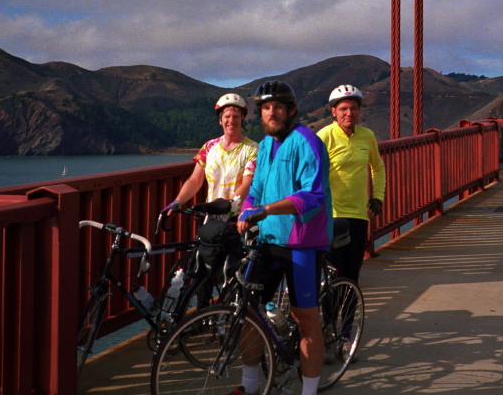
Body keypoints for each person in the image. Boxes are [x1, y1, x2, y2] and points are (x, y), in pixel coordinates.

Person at [236, 80, 333, 395]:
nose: (271, 113)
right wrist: (246, 211)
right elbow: (256, 190)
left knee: (304, 316)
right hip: (268, 240)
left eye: (278, 106)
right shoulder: (264, 145)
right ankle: (249, 386)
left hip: (302, 243)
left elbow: (312, 194)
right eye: (265, 107)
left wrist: (264, 210)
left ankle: (308, 391)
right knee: (250, 310)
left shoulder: (308, 141)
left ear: (292, 111)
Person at [317, 84, 385, 284]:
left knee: (352, 274)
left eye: (353, 108)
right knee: (334, 274)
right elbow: (311, 173)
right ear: (334, 112)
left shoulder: (367, 136)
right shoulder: (324, 136)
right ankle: (329, 316)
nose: (349, 113)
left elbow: (378, 167)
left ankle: (348, 316)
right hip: (332, 215)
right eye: (343, 109)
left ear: (359, 111)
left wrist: (377, 198)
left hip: (358, 214)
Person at [162, 93, 257, 216]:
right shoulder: (209, 146)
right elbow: (195, 180)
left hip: (239, 218)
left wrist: (227, 206)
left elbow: (247, 184)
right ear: (220, 120)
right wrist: (178, 201)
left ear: (243, 118)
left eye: (236, 117)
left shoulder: (252, 149)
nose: (231, 121)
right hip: (212, 216)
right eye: (227, 116)